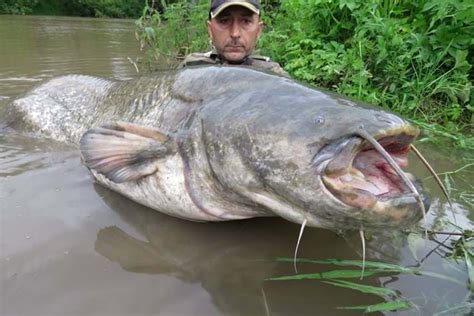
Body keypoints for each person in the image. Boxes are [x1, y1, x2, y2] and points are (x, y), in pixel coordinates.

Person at [179, 0, 288, 76]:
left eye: (245, 21)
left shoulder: (274, 75)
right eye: (224, 21)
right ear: (210, 29)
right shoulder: (191, 68)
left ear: (258, 30)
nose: (235, 33)